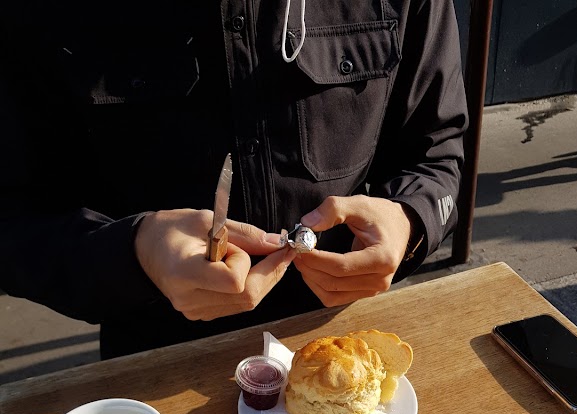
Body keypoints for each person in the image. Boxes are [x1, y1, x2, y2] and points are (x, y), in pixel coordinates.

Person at [0, 0, 468, 359]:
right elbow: (14, 222)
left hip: (346, 353)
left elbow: (437, 153)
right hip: (157, 374)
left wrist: (409, 220)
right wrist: (133, 250)